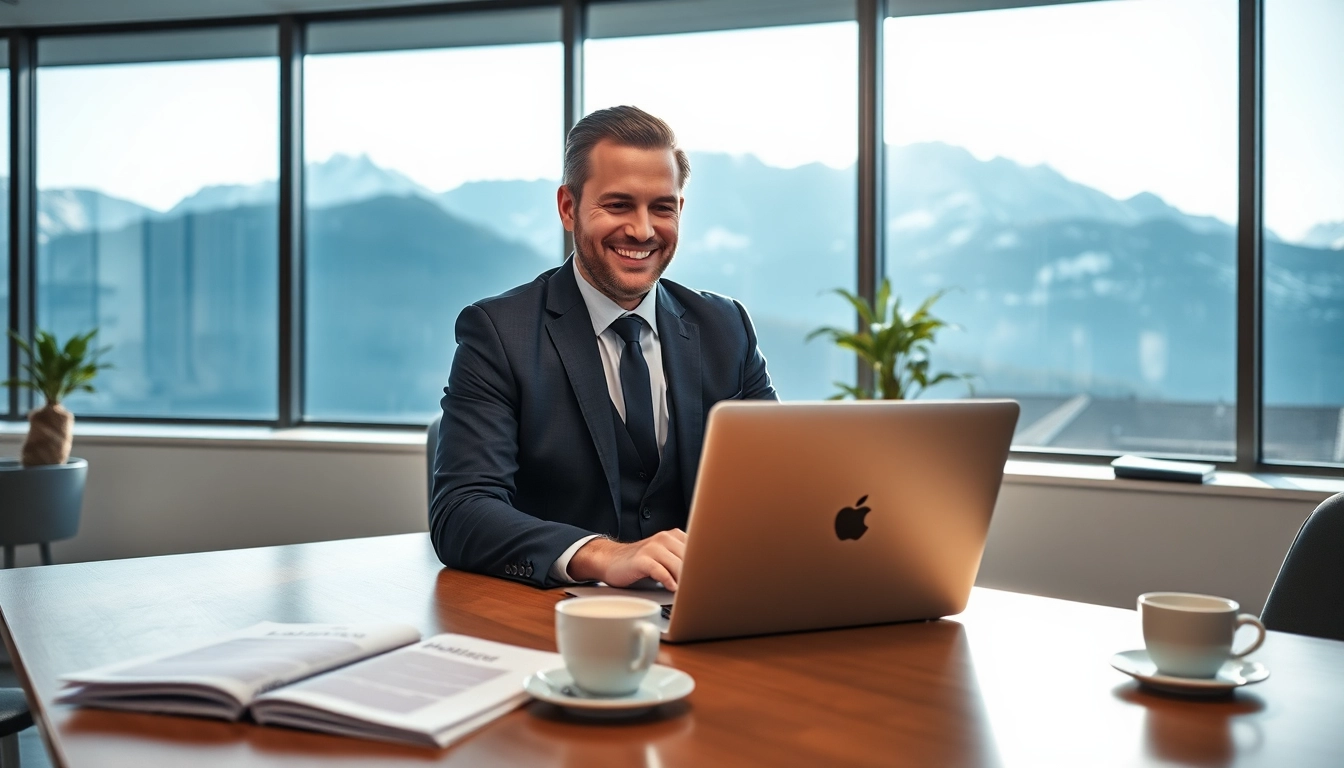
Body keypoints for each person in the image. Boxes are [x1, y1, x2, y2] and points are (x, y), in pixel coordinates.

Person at [429, 105, 777, 590]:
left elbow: (777, 484)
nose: (642, 230)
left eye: (662, 206)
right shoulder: (497, 333)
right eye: (618, 205)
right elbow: (460, 513)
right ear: (568, 208)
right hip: (555, 620)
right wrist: (602, 555)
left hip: (698, 606)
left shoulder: (727, 327)